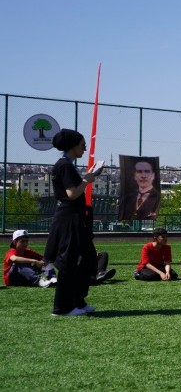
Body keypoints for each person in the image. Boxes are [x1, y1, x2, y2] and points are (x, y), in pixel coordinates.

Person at [44, 129, 103, 316]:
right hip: (69, 217)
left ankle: (77, 301)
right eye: (82, 144)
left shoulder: (66, 165)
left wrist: (87, 177)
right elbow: (72, 194)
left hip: (73, 216)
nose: (85, 148)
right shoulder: (64, 166)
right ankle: (62, 307)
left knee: (87, 258)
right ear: (72, 145)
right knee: (69, 262)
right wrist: (87, 180)